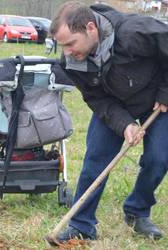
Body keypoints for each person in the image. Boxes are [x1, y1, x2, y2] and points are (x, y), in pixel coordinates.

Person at [50, 1, 168, 242]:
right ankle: (82, 225)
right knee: (96, 160)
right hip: (114, 104)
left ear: (90, 28)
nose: (68, 52)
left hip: (156, 100)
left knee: (159, 158)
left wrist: (165, 92)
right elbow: (97, 100)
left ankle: (137, 211)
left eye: (71, 43)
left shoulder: (135, 31)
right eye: (63, 46)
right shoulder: (71, 62)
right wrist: (125, 124)